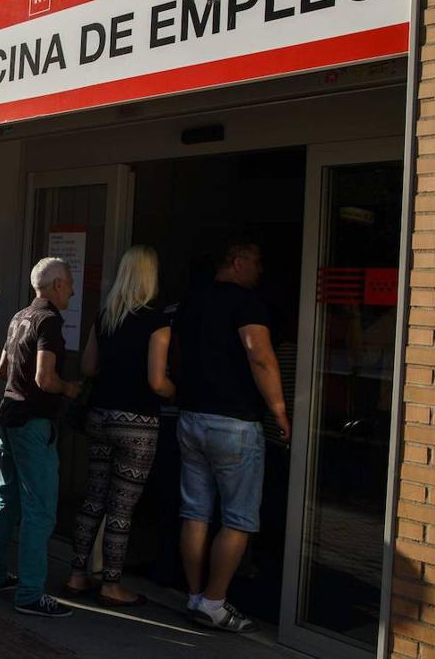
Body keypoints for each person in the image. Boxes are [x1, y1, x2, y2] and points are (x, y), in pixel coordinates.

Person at [174, 238, 290, 633]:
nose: (260, 271)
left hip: (190, 418)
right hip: (234, 424)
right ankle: (214, 602)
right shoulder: (247, 304)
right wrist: (278, 409)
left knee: (195, 513)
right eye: (256, 262)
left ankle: (194, 595)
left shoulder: (191, 301)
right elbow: (259, 354)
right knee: (238, 518)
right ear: (238, 262)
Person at [64, 246, 173, 607]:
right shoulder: (157, 323)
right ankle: (111, 584)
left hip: (100, 418)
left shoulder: (104, 317)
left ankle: (77, 575)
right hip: (137, 425)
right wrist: (179, 392)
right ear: (150, 277)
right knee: (122, 507)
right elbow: (158, 382)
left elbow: (88, 368)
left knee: (93, 498)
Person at [0, 257, 81, 619]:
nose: (72, 289)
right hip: (34, 423)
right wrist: (69, 388)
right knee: (39, 510)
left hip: (9, 416)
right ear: (56, 285)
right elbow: (44, 378)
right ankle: (28, 594)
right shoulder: (50, 321)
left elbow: (1, 369)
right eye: (70, 283)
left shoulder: (19, 316)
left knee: (8, 498)